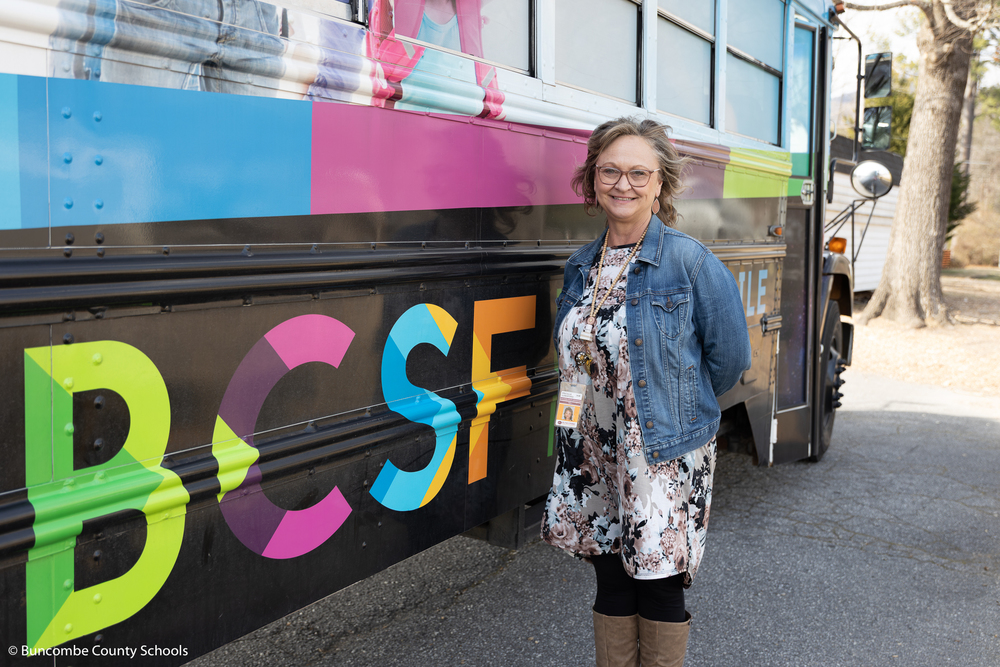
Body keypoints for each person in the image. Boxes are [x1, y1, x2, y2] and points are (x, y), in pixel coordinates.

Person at [541, 117, 751, 667]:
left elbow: (729, 361)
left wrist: (673, 412)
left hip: (661, 455)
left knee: (658, 584)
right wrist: (569, 439)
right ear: (592, 180)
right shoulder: (581, 266)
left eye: (639, 172)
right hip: (593, 450)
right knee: (609, 576)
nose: (623, 184)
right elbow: (573, 362)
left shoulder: (690, 262)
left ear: (661, 184)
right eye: (609, 171)